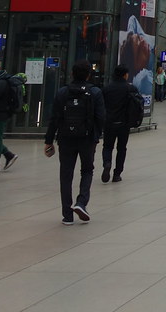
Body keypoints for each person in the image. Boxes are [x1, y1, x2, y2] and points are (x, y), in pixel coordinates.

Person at [43, 60, 106, 225]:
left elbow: (54, 118)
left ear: (72, 74)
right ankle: (81, 202)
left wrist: (49, 140)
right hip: (87, 138)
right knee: (87, 170)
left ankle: (67, 215)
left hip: (65, 138)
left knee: (66, 175)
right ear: (89, 75)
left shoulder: (63, 92)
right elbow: (100, 118)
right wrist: (96, 137)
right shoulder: (95, 92)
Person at [100, 65, 141, 183]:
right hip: (124, 123)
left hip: (109, 122)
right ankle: (117, 173)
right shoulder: (130, 89)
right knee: (121, 148)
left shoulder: (106, 89)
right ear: (125, 75)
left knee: (107, 146)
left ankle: (107, 163)